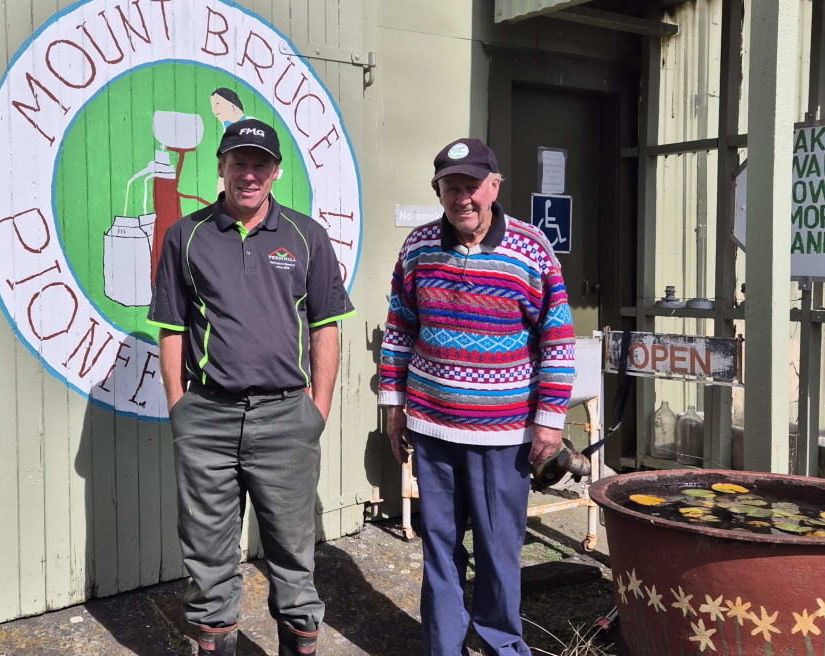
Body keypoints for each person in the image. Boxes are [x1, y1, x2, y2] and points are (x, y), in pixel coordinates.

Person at [148, 117, 355, 656]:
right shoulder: (185, 235)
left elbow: (325, 326)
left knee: (293, 555)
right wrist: (181, 410)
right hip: (208, 420)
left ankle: (299, 643)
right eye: (238, 162)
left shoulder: (306, 236)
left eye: (259, 164)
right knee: (208, 561)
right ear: (221, 167)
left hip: (287, 418)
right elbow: (172, 328)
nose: (248, 173)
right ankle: (215, 642)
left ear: (275, 172)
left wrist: (318, 409)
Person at [378, 138, 586, 656]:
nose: (462, 198)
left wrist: (550, 421)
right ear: (438, 191)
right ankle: (443, 647)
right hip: (432, 429)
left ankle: (502, 646)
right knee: (441, 550)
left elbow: (557, 339)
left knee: (498, 552)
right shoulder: (418, 247)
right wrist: (392, 405)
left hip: (504, 435)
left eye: (472, 186)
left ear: (493, 186)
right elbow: (399, 329)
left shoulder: (532, 248)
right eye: (451, 187)